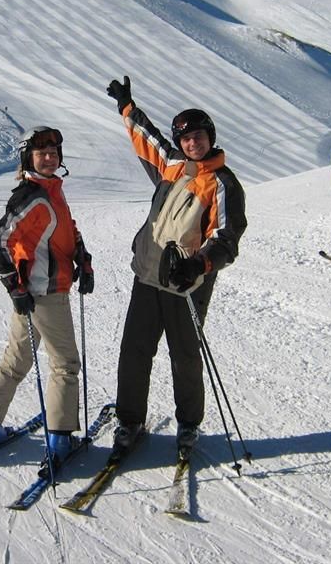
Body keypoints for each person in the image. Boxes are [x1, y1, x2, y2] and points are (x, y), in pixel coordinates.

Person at [105, 75, 247, 456]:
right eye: (185, 139)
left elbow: (227, 237)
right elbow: (147, 138)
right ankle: (130, 421)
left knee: (185, 358)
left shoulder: (222, 184)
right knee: (134, 352)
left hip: (187, 284)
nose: (192, 143)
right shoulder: (172, 166)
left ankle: (188, 425)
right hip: (148, 276)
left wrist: (199, 265)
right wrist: (127, 107)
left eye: (198, 136)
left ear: (210, 137)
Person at [0, 126, 94, 476]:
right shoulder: (33, 196)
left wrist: (82, 257)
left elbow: (66, 229)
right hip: (45, 294)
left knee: (16, 362)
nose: (49, 158)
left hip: (33, 295)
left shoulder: (49, 190)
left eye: (53, 153)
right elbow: (0, 241)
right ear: (28, 158)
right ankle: (59, 441)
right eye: (41, 153)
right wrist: (15, 287)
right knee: (65, 365)